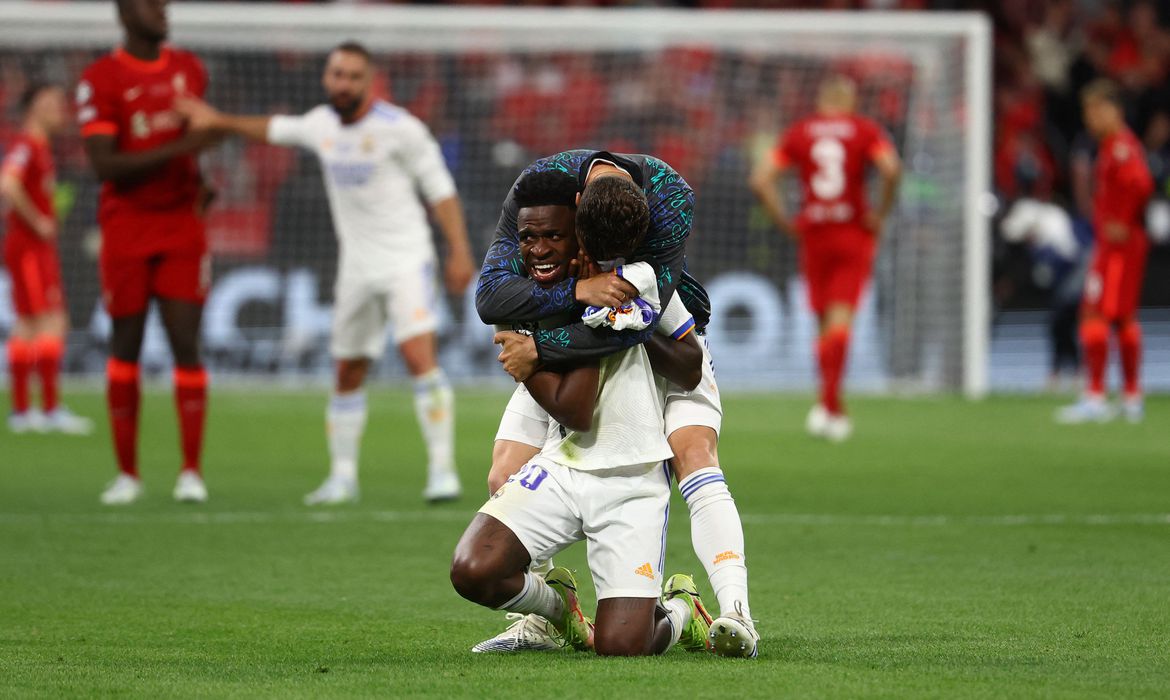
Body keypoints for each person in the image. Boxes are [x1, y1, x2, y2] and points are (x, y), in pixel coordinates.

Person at [477, 159, 758, 658]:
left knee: (695, 455)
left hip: (655, 357)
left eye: (552, 237)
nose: (540, 247)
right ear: (576, 214)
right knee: (503, 474)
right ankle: (543, 616)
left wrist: (610, 322)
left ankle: (736, 612)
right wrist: (578, 298)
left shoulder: (649, 254)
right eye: (535, 238)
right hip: (571, 362)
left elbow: (682, 358)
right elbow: (490, 298)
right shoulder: (541, 224)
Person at [177, 41, 475, 503]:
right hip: (356, 267)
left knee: (419, 358)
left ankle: (442, 473)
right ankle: (342, 478)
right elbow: (271, 129)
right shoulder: (321, 125)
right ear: (326, 78)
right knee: (347, 369)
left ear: (369, 81)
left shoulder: (403, 129)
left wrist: (459, 251)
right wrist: (218, 121)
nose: (344, 83)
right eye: (338, 74)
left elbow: (441, 191)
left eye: (354, 76)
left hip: (407, 260)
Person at [77, 0, 216, 504]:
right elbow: (105, 166)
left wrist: (201, 178)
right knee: (126, 343)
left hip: (181, 223)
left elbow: (199, 139)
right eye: (148, 2)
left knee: (186, 342)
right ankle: (127, 474)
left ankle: (191, 472)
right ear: (123, 12)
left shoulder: (190, 69)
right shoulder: (100, 78)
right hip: (127, 226)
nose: (161, 8)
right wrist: (182, 150)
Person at [749, 74, 902, 442]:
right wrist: (880, 212)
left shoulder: (801, 131)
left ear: (822, 100)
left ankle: (827, 405)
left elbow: (761, 179)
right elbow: (891, 169)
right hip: (852, 231)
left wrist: (785, 220)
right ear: (850, 101)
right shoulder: (864, 129)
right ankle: (831, 406)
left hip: (814, 234)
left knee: (823, 322)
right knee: (840, 320)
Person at [1057, 79, 1154, 424]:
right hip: (1121, 245)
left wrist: (1122, 219)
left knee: (1095, 314)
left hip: (1119, 246)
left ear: (1114, 110)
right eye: (1087, 112)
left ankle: (1096, 396)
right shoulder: (1114, 145)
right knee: (1124, 318)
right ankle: (1131, 396)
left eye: (1096, 110)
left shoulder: (1120, 147)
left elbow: (1141, 183)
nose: (1090, 119)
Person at [2, 84, 93, 435]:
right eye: (51, 102)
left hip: (34, 248)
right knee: (51, 322)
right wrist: (37, 220)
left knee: (28, 325)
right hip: (29, 248)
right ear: (33, 107)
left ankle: (24, 411)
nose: (60, 107)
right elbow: (8, 184)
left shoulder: (41, 147)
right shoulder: (26, 145)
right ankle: (47, 409)